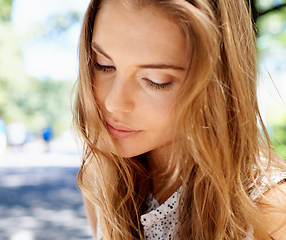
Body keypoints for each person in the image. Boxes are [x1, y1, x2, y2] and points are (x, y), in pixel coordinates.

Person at [72, 0, 286, 239]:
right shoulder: (100, 177)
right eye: (104, 65)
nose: (114, 103)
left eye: (156, 80)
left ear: (217, 84)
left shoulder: (271, 210)